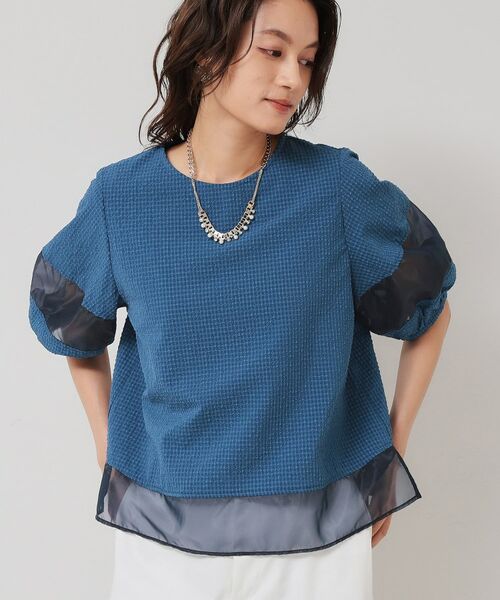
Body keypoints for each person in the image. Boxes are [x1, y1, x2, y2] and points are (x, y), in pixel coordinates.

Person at [27, 0, 457, 598]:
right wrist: (108, 447)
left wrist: (391, 450)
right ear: (208, 52)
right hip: (163, 536)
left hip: (318, 538)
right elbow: (70, 326)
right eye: (274, 51)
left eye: (306, 61)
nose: (293, 79)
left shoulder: (335, 190)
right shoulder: (121, 198)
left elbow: (430, 310)